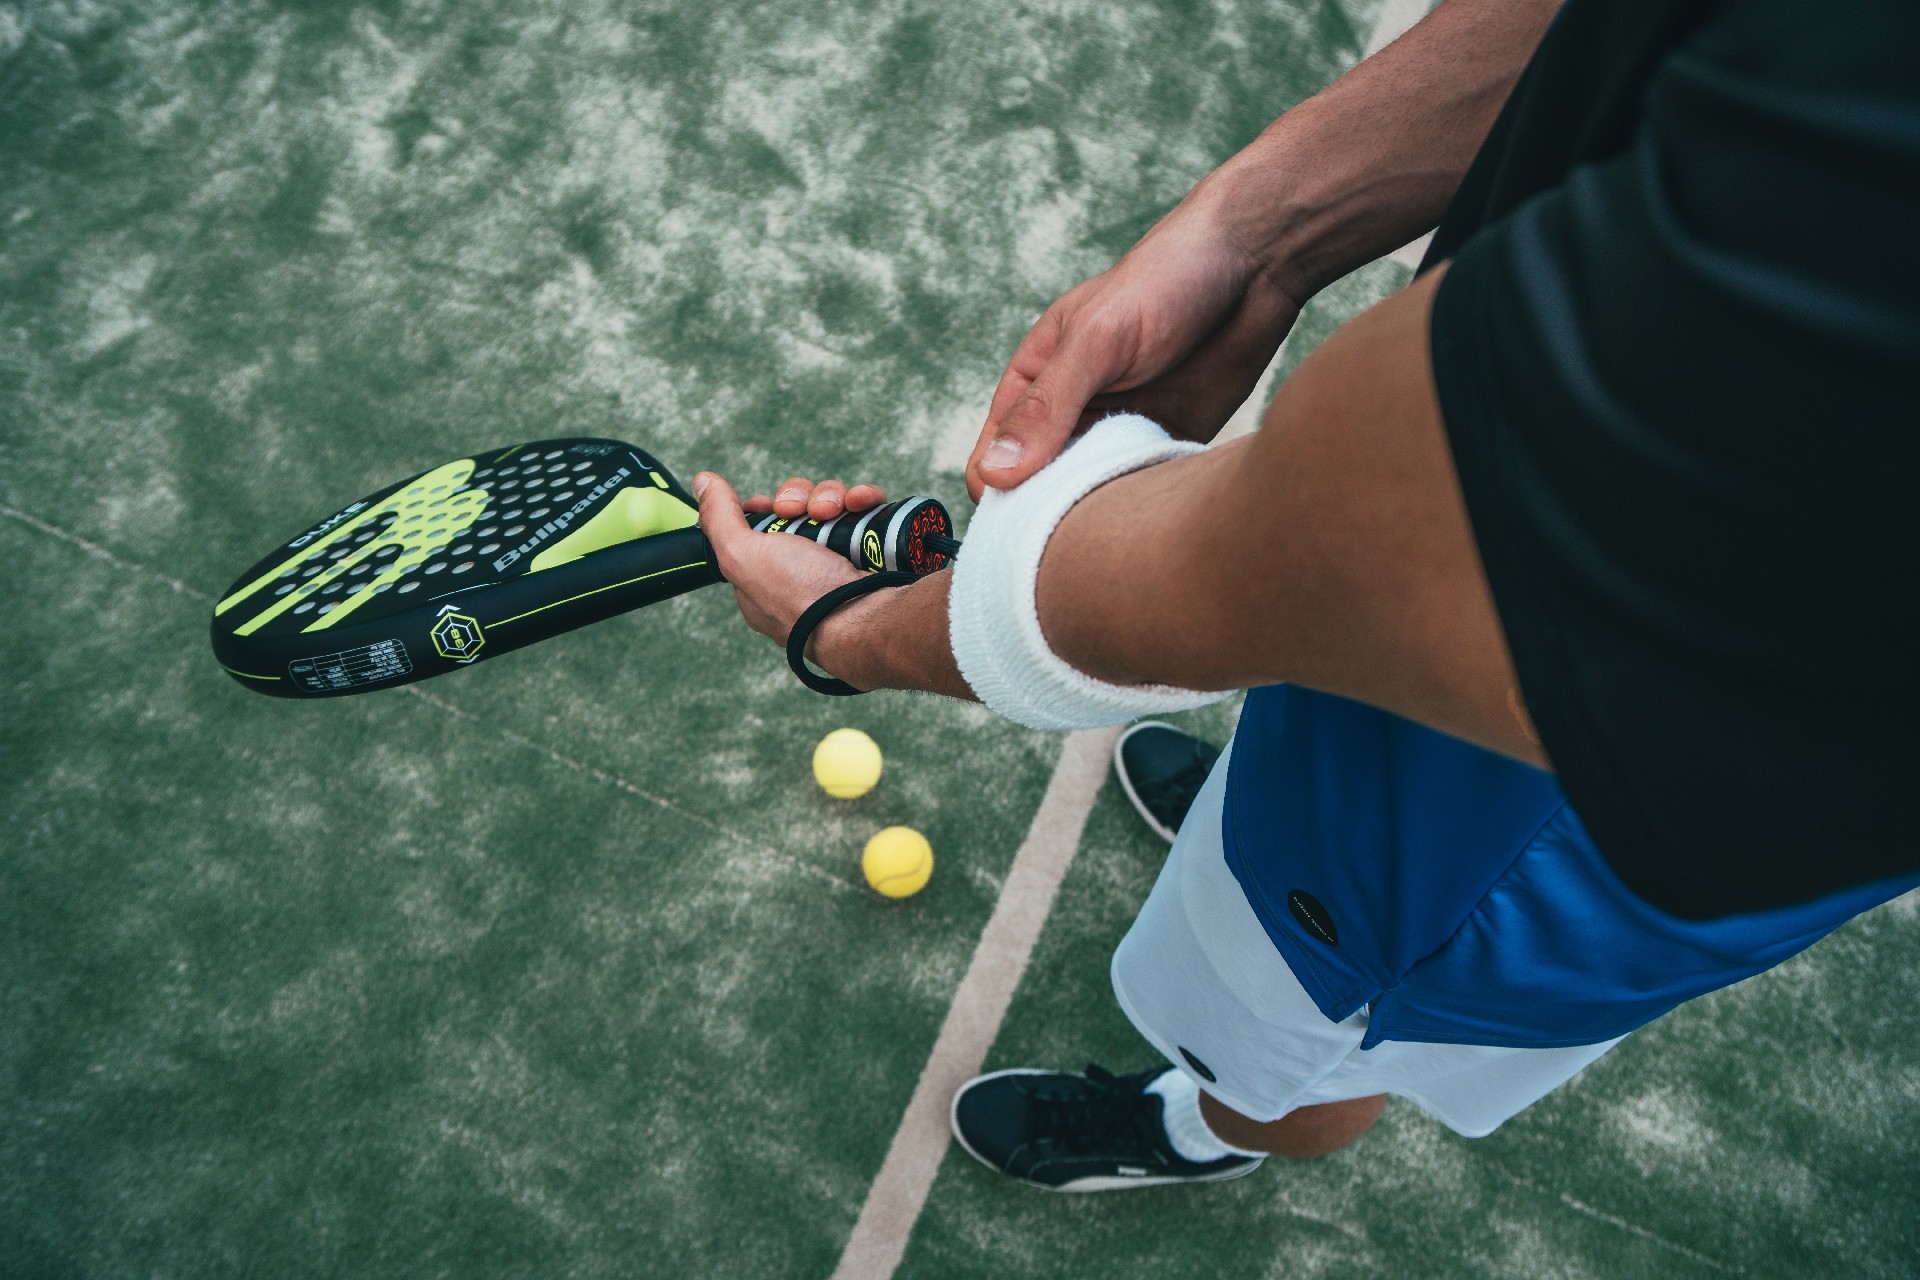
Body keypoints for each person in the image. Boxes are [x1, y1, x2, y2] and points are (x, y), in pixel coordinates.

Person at [692, 0, 1920, 1190]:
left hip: (1529, 822)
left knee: (1299, 1032)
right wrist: (1251, 234)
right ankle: (1257, 815)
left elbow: (1329, 553)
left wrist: (849, 631)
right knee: (1294, 774)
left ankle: (1210, 1122)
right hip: (1500, 623)